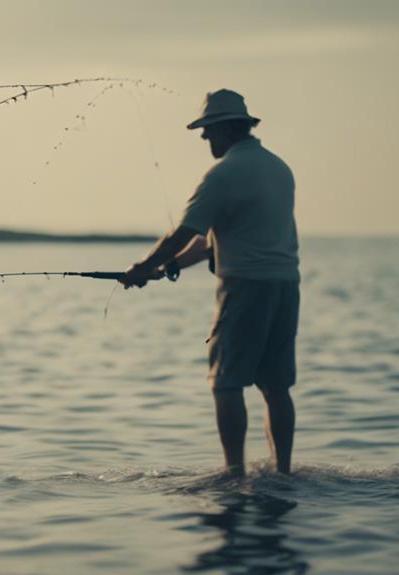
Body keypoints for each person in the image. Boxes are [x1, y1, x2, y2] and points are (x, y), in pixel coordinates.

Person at [119, 89, 300, 476]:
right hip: (285, 286)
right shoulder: (278, 168)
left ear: (226, 128)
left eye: (207, 130)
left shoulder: (222, 174)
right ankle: (282, 473)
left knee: (226, 383)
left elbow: (184, 232)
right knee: (276, 387)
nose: (203, 139)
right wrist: (168, 268)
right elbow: (210, 243)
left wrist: (142, 267)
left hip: (245, 289)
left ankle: (234, 474)